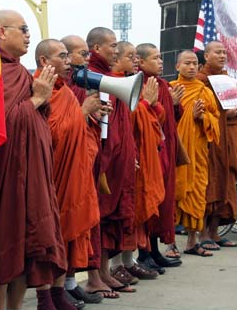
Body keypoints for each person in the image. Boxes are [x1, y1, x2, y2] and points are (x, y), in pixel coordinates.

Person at [0, 10, 66, 310]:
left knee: (28, 251)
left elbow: (34, 120)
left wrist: (40, 102)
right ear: (1, 32)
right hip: (3, 174)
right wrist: (37, 100)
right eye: (23, 29)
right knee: (3, 248)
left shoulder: (22, 72)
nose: (29, 35)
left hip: (32, 172)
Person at [35, 39, 112, 307]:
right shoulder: (40, 90)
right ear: (44, 62)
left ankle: (63, 289)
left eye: (70, 57)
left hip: (74, 173)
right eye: (63, 56)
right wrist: (83, 112)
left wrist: (92, 117)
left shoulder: (65, 92)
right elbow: (49, 133)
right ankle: (48, 295)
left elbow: (77, 134)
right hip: (53, 175)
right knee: (52, 236)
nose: (69, 62)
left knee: (70, 234)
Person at [84, 27, 137, 297]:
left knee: (110, 218)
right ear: (96, 49)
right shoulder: (90, 78)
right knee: (98, 218)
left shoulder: (111, 79)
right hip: (100, 160)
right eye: (111, 45)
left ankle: (104, 271)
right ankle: (94, 275)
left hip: (116, 160)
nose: (114, 50)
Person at [109, 42, 162, 284]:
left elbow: (151, 121)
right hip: (124, 159)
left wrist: (152, 105)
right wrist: (145, 104)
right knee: (121, 213)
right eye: (129, 57)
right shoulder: (112, 82)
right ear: (116, 58)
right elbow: (122, 119)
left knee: (133, 212)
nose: (134, 61)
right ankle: (116, 265)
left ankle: (130, 262)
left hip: (139, 155)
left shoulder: (133, 81)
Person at [59, 35, 104, 304]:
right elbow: (55, 128)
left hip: (83, 163)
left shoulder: (77, 87)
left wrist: (93, 113)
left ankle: (71, 281)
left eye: (87, 55)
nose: (85, 60)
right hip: (63, 168)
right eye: (80, 55)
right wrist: (82, 110)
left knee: (82, 226)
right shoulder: (57, 89)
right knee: (67, 225)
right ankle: (57, 288)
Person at [135, 43, 183, 272]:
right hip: (150, 151)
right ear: (141, 63)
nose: (160, 62)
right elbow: (143, 121)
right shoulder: (137, 85)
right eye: (155, 58)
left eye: (161, 58)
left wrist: (174, 105)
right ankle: (144, 254)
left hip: (166, 148)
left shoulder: (164, 85)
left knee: (162, 201)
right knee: (149, 198)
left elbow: (172, 121)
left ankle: (154, 251)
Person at [196, 41, 237, 250]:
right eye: (218, 52)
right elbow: (201, 113)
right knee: (210, 182)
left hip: (229, 140)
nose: (223, 56)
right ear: (206, 56)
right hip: (211, 141)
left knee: (226, 181)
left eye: (225, 52)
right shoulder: (200, 82)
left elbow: (232, 105)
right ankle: (203, 234)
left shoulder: (228, 80)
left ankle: (215, 232)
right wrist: (227, 115)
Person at [171, 50, 220, 257]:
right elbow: (161, 119)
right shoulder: (170, 89)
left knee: (197, 192)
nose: (191, 67)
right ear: (177, 67)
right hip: (176, 150)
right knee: (173, 194)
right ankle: (170, 243)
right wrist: (175, 107)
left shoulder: (204, 91)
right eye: (187, 63)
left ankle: (192, 241)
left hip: (197, 151)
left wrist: (202, 117)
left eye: (194, 64)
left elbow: (215, 121)